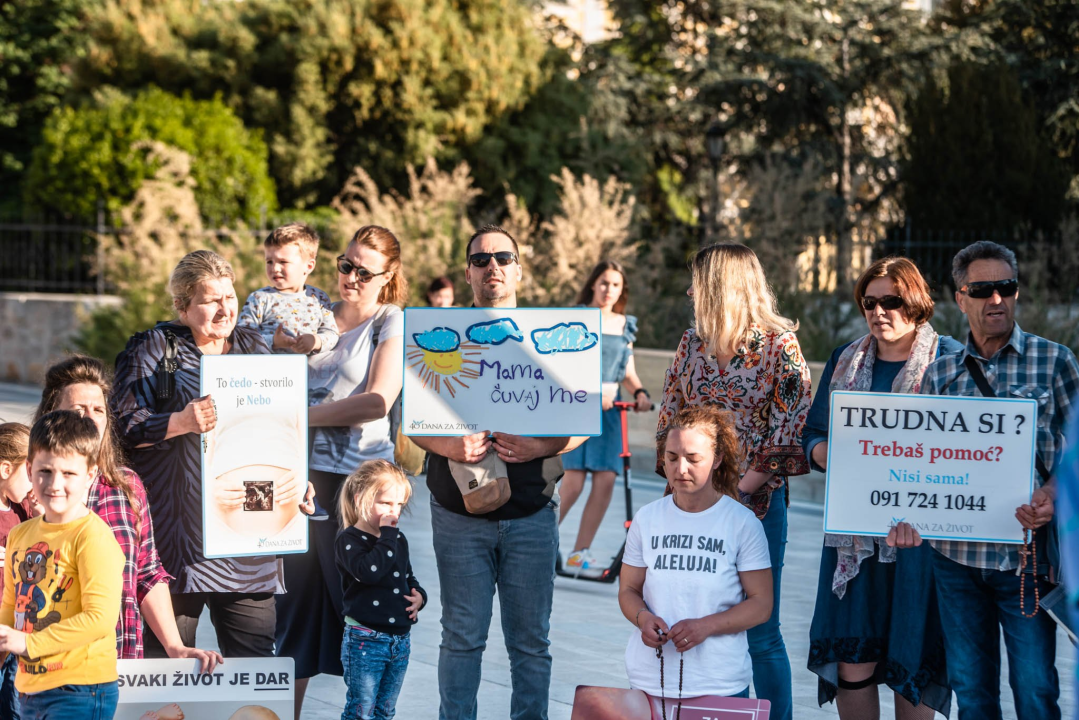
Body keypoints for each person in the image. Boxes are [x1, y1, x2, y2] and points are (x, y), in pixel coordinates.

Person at [410, 225, 585, 720]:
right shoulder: (434, 337)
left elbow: (581, 422)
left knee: (531, 644)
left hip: (532, 512)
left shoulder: (554, 337)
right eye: (481, 259)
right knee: (462, 637)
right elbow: (415, 424)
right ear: (467, 271)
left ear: (519, 269)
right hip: (458, 513)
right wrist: (451, 445)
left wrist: (540, 446)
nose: (493, 267)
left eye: (503, 258)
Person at [112, 250, 314, 662]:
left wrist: (296, 477)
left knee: (253, 669)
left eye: (229, 297)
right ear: (183, 307)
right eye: (210, 300)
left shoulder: (254, 348)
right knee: (167, 669)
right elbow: (120, 429)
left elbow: (276, 428)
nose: (225, 309)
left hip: (248, 545)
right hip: (176, 546)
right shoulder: (154, 349)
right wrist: (179, 422)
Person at [920, 240, 1079, 720]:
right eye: (983, 289)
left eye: (1005, 287)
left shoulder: (1055, 361)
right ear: (960, 298)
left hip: (1026, 558)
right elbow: (920, 462)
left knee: (1034, 690)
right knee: (972, 693)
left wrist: (1052, 495)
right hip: (956, 561)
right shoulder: (941, 374)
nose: (996, 299)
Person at [656, 243, 811, 720]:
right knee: (697, 618)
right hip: (689, 505)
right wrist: (683, 481)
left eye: (698, 281)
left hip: (756, 507)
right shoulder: (691, 343)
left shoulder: (778, 346)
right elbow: (668, 416)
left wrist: (738, 491)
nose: (689, 291)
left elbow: (792, 424)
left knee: (760, 633)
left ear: (720, 287)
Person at [802, 257, 959, 719]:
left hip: (919, 543)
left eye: (891, 301)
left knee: (912, 660)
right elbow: (812, 433)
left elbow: (970, 446)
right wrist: (825, 453)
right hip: (854, 540)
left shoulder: (950, 359)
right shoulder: (844, 359)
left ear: (916, 301)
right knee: (853, 659)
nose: (879, 311)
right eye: (870, 302)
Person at [276, 225, 408, 718]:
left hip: (358, 486)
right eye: (344, 264)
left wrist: (296, 413)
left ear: (387, 275)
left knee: (361, 612)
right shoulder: (312, 311)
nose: (350, 277)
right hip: (300, 477)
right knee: (293, 611)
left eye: (363, 270)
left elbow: (377, 400)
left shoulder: (388, 319)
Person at [571, 406, 773, 719]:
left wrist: (707, 626)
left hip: (717, 682)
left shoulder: (742, 524)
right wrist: (641, 618)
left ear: (717, 459)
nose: (680, 469)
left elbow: (761, 604)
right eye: (672, 457)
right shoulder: (647, 518)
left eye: (693, 458)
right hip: (648, 682)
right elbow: (628, 590)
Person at [36, 355, 221, 670]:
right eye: (78, 410)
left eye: (98, 410)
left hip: (119, 662)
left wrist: (175, 646)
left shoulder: (126, 486)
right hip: (48, 668)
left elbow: (146, 573)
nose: (90, 419)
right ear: (52, 415)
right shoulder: (31, 488)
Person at [0, 411, 124, 719]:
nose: (55, 484)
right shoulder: (20, 534)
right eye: (45, 471)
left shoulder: (92, 536)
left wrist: (29, 642)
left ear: (90, 473)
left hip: (80, 689)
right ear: (29, 469)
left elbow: (99, 618)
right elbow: (9, 606)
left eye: (68, 473)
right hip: (30, 689)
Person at [559, 260, 652, 572]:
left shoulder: (626, 325)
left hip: (611, 413)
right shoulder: (576, 319)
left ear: (621, 288)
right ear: (592, 284)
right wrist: (590, 393)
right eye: (603, 283)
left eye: (615, 284)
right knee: (572, 482)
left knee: (606, 481)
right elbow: (563, 364)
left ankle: (579, 551)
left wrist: (639, 392)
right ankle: (536, 540)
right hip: (577, 406)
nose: (608, 289)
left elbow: (628, 372)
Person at [336, 459, 427, 720]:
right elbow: (369, 572)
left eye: (399, 504)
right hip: (366, 639)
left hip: (399, 639)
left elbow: (408, 578)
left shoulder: (397, 539)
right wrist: (388, 536)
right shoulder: (349, 540)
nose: (394, 512)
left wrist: (420, 596)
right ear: (360, 499)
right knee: (361, 709)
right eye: (386, 503)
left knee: (385, 710)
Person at [239, 222, 339, 356]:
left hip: (309, 374)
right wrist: (273, 341)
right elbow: (241, 339)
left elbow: (332, 333)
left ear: (309, 266)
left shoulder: (319, 298)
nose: (274, 268)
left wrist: (315, 341)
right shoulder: (259, 298)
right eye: (269, 262)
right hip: (267, 374)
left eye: (283, 262)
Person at [0, 423, 33, 719]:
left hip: (14, 638)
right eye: (30, 470)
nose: (35, 481)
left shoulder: (22, 510)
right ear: (5, 469)